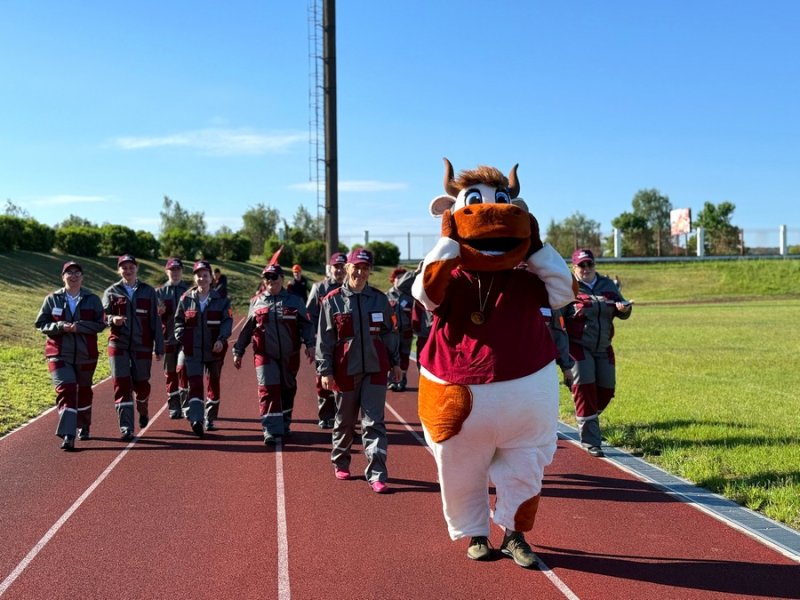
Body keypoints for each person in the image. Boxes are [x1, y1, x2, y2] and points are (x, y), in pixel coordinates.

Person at [316, 248, 402, 493]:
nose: (360, 273)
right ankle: (341, 460)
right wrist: (325, 370)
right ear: (347, 268)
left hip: (376, 369)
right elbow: (325, 340)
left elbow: (389, 333)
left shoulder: (379, 299)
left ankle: (377, 473)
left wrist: (395, 362)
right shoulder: (331, 300)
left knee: (374, 422)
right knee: (345, 420)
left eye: (365, 268)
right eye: (357, 267)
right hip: (345, 370)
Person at [553, 249, 633, 458]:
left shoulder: (607, 285)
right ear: (574, 267)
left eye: (590, 264)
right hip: (578, 347)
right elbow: (557, 320)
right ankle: (591, 442)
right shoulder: (568, 287)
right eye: (582, 265)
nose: (586, 269)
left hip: (604, 346)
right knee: (585, 390)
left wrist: (624, 310)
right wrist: (561, 354)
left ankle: (586, 417)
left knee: (606, 390)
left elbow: (621, 309)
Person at [233, 263, 315, 444]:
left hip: (290, 354)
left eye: (274, 277)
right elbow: (247, 329)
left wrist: (310, 345)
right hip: (264, 354)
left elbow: (306, 325)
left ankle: (284, 422)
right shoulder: (256, 301)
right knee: (268, 388)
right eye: (267, 277)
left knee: (288, 388)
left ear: (282, 279)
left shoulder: (295, 301)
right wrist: (238, 350)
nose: (270, 280)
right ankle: (270, 430)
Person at [35, 261, 106, 450]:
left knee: (84, 391)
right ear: (63, 277)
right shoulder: (52, 299)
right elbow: (41, 324)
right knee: (66, 389)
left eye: (77, 273)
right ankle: (68, 434)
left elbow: (101, 324)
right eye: (69, 272)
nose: (73, 276)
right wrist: (59, 326)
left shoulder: (92, 299)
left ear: (82, 277)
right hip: (58, 354)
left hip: (86, 354)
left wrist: (79, 327)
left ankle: (84, 424)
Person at [103, 254, 164, 441]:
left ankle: (142, 405)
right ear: (119, 270)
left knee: (142, 383)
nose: (128, 270)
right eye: (124, 267)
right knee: (122, 385)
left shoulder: (148, 291)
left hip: (142, 344)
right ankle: (126, 428)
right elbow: (102, 316)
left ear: (136, 269)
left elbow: (155, 320)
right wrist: (112, 319)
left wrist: (159, 346)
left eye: (131, 267)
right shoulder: (111, 291)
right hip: (118, 344)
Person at [174, 260, 233, 437]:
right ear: (194, 278)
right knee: (195, 384)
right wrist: (183, 337)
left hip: (214, 352)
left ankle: (210, 418)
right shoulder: (185, 299)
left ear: (211, 278)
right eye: (198, 275)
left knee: (213, 383)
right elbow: (178, 322)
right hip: (193, 351)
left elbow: (227, 322)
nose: (202, 278)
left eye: (205, 275)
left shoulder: (222, 300)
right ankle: (196, 420)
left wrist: (221, 340)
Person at [306, 251, 347, 429]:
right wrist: (312, 340)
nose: (339, 270)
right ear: (330, 268)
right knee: (323, 380)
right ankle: (326, 415)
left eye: (342, 267)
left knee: (345, 380)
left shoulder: (353, 288)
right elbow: (309, 316)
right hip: (324, 343)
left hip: (345, 344)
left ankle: (343, 416)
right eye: (336, 267)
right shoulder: (319, 288)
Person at [156, 257, 189, 419]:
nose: (175, 272)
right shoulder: (159, 293)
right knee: (170, 374)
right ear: (166, 271)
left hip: (185, 339)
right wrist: (158, 313)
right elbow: (152, 318)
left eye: (177, 269)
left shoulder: (189, 291)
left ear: (182, 271)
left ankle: (186, 405)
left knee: (183, 370)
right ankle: (174, 406)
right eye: (172, 270)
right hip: (167, 339)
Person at [385, 267, 414, 391]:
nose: (400, 280)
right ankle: (391, 380)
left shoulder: (410, 297)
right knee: (390, 356)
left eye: (403, 278)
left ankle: (402, 381)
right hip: (391, 333)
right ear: (393, 279)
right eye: (398, 277)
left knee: (404, 356)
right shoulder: (386, 296)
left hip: (406, 332)